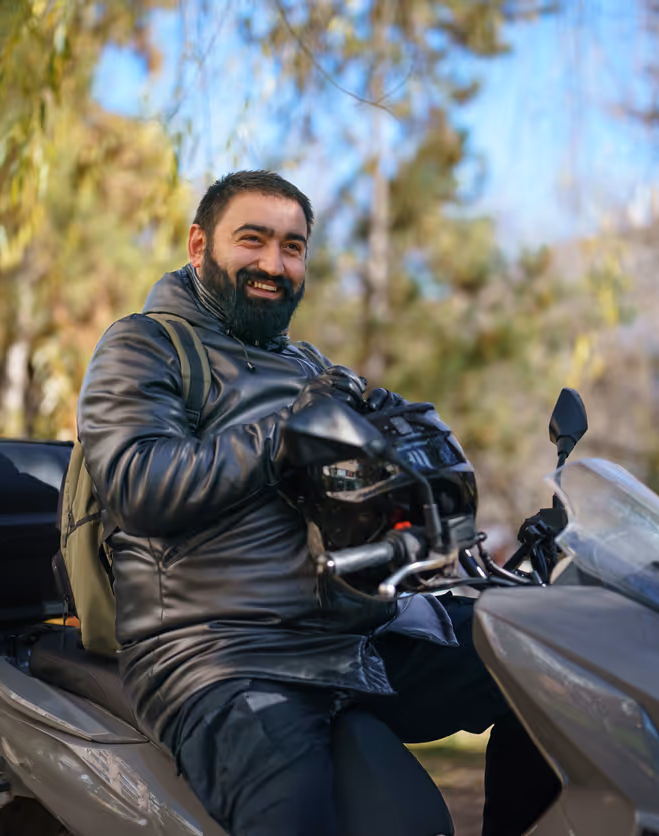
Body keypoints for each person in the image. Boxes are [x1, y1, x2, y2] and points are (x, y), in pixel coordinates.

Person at [77, 170, 556, 836]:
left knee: (549, 668)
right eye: (253, 240)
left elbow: (363, 492)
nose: (274, 264)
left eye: (292, 247)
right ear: (199, 245)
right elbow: (139, 485)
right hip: (223, 656)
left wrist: (419, 489)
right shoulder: (146, 345)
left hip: (354, 638)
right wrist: (285, 435)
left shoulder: (309, 365)